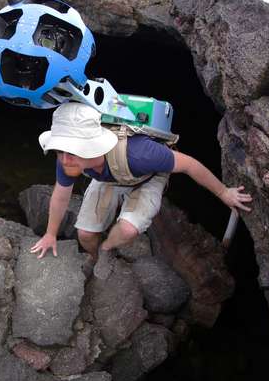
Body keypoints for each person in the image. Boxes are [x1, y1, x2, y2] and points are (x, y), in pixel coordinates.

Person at [29, 102, 252, 278]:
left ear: (90, 146)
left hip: (146, 178)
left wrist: (224, 193)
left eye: (71, 152)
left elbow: (189, 165)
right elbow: (60, 195)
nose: (64, 159)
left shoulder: (141, 153)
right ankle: (97, 258)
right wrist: (50, 234)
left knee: (127, 230)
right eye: (61, 151)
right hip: (108, 178)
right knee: (85, 234)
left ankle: (108, 249)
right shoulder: (67, 158)